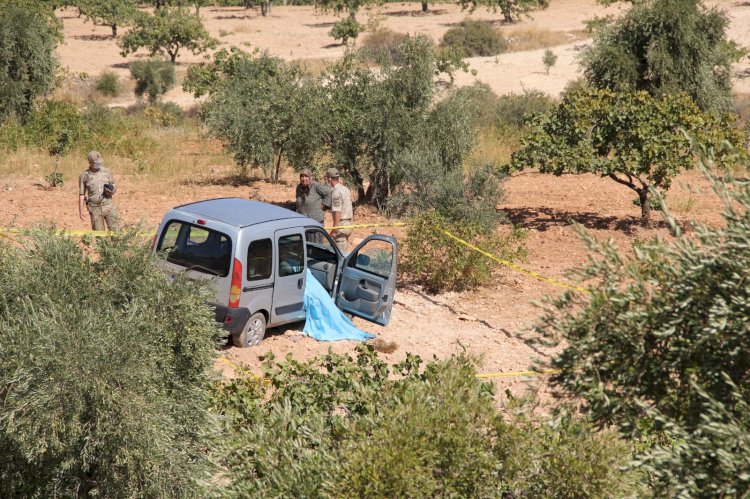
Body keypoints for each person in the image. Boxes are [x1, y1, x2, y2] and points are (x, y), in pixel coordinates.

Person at [78, 151, 119, 231]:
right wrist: (81, 211)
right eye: (96, 162)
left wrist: (112, 190)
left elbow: (114, 185)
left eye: (99, 161)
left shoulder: (107, 171)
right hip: (94, 209)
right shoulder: (84, 175)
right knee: (100, 237)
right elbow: (82, 194)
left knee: (116, 234)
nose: (98, 163)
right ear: (90, 162)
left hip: (108, 206)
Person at [295, 169, 330, 243]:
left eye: (306, 176)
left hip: (315, 221)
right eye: (302, 176)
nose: (304, 179)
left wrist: (324, 205)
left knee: (316, 246)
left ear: (310, 177)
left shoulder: (315, 186)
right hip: (303, 221)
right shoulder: (299, 187)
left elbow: (328, 192)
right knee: (305, 245)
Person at [325, 167, 353, 253]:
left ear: (329, 179)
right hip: (348, 224)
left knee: (339, 253)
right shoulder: (345, 189)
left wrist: (334, 229)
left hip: (341, 226)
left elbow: (338, 212)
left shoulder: (336, 192)